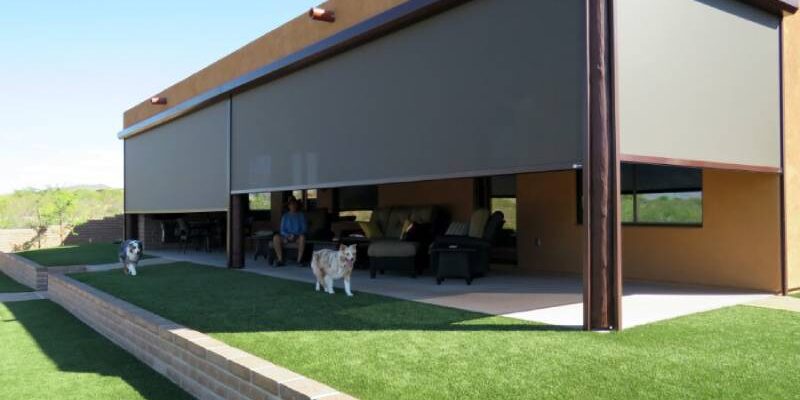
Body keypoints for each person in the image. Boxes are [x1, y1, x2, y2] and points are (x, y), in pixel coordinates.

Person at [272, 197, 307, 266]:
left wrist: (295, 235)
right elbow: (282, 230)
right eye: (291, 204)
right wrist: (288, 235)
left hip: (297, 237)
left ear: (297, 205)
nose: (293, 205)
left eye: (294, 204)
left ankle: (299, 261)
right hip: (286, 236)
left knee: (302, 237)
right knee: (276, 237)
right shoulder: (285, 216)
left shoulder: (301, 215)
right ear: (288, 206)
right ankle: (280, 260)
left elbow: (304, 229)